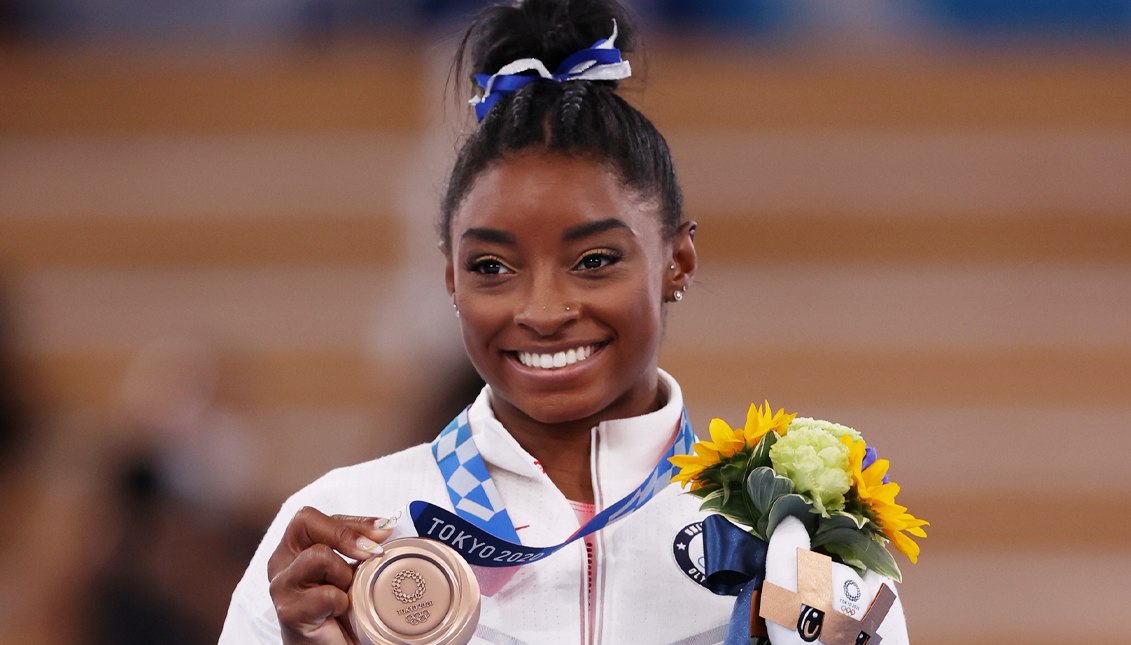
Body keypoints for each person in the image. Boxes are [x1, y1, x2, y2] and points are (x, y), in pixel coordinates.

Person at [219, 2, 910, 644]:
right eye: (492, 266)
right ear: (450, 277)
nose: (543, 311)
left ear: (677, 259)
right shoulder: (346, 533)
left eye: (594, 259)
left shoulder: (791, 531)